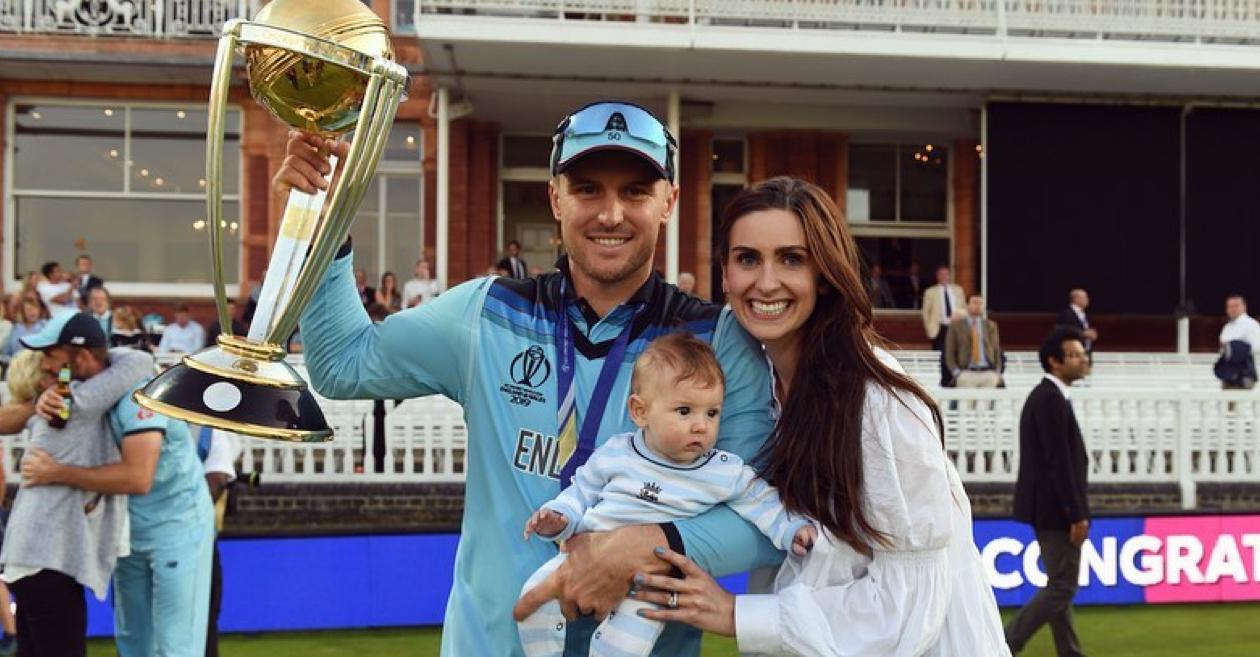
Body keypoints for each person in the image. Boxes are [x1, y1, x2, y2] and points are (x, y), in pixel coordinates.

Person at [276, 99, 776, 657]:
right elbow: (343, 364)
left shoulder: (717, 340)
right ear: (555, 198)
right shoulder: (486, 313)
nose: (611, 214)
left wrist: (635, 550)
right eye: (587, 188)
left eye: (635, 191)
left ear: (669, 203)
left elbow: (766, 521)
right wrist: (324, 228)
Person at [623, 177, 1010, 656]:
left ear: (825, 273)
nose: (766, 282)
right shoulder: (759, 392)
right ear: (724, 275)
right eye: (748, 259)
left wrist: (736, 613)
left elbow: (911, 600)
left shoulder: (879, 399)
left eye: (791, 259)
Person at [516, 333, 815, 657]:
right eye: (685, 411)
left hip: (655, 579)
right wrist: (560, 517)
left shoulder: (723, 470)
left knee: (628, 643)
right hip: (586, 553)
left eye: (712, 413)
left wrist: (791, 530)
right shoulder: (617, 452)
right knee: (532, 596)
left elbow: (762, 502)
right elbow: (582, 491)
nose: (701, 426)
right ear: (640, 411)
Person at [19, 312, 215, 657]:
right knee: (133, 642)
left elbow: (138, 478)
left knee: (175, 645)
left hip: (178, 526)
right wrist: (37, 404)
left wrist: (57, 472)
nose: (44, 364)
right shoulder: (84, 387)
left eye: (51, 355)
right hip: (127, 529)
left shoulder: (137, 391)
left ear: (80, 356)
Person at [1, 343, 153, 657]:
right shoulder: (74, 408)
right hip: (47, 558)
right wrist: (89, 349)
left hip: (30, 557)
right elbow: (139, 361)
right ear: (43, 385)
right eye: (53, 370)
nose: (64, 375)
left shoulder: (46, 416)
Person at [1005, 326, 1091, 657]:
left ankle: (1070, 652)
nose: (1083, 359)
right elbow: (1059, 463)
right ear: (1055, 362)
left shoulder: (1049, 397)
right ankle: (1004, 643)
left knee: (1060, 585)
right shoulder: (1050, 400)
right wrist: (1076, 514)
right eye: (1074, 355)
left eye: (1082, 353)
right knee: (1062, 586)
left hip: (1050, 507)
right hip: (1056, 510)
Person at [196, 426, 241, 657]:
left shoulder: (208, 429)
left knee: (202, 623)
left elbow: (217, 478)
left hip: (198, 540)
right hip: (195, 539)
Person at [945, 295, 1004, 388]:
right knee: (966, 402)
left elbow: (997, 351)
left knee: (987, 400)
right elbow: (950, 353)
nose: (978, 306)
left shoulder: (991, 326)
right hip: (966, 372)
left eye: (980, 303)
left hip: (987, 372)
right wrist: (956, 372)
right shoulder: (956, 326)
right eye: (975, 302)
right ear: (967, 305)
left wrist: (997, 372)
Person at [922, 264, 965, 386]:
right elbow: (926, 312)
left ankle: (955, 379)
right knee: (940, 355)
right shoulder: (930, 292)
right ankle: (941, 380)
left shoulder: (958, 290)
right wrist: (929, 328)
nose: (944, 276)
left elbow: (963, 308)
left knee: (956, 353)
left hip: (956, 327)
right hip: (940, 328)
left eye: (946, 274)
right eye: (941, 274)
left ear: (950, 275)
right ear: (937, 276)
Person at [1216, 295, 1260, 390]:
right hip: (1228, 373)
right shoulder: (1227, 327)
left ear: (1244, 307)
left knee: (1243, 402)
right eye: (1229, 306)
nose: (1232, 309)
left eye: (1236, 306)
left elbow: (1256, 348)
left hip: (1245, 374)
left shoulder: (1251, 325)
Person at [1056, 289, 1098, 355]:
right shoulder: (1067, 314)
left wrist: (1092, 334)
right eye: (1085, 297)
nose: (1088, 300)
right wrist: (1083, 333)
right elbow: (1064, 331)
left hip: (1085, 352)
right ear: (1077, 299)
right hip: (1073, 353)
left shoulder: (1083, 314)